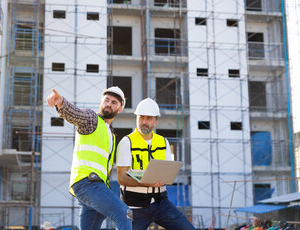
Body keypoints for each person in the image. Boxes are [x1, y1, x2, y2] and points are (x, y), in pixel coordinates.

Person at [46, 86, 132, 229]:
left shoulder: (110, 133)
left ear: (120, 109)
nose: (109, 104)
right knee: (125, 213)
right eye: (107, 100)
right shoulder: (92, 119)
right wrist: (61, 102)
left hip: (95, 188)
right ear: (101, 102)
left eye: (114, 102)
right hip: (88, 183)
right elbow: (76, 114)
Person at [116, 98, 195, 230]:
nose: (144, 122)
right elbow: (121, 177)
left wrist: (164, 179)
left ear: (156, 121)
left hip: (160, 203)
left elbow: (168, 172)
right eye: (141, 118)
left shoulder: (163, 142)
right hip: (134, 206)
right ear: (136, 119)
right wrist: (146, 182)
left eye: (149, 118)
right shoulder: (126, 142)